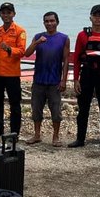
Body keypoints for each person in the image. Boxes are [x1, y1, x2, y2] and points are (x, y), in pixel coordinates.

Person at [69, 4, 100, 150]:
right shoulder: (82, 35)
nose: (97, 18)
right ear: (90, 17)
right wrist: (76, 79)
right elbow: (77, 59)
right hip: (87, 74)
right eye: (95, 15)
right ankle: (80, 139)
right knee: (83, 108)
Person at [24, 11, 70, 147]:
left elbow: (66, 61)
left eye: (52, 21)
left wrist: (64, 80)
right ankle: (37, 135)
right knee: (36, 109)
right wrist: (37, 42)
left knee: (55, 110)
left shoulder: (64, 38)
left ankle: (55, 136)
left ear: (57, 22)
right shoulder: (38, 36)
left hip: (54, 81)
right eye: (47, 21)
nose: (49, 23)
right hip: (39, 80)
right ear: (43, 23)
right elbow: (27, 53)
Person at [0, 2, 27, 137]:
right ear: (0, 14)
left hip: (12, 73)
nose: (6, 15)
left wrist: (10, 49)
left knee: (15, 104)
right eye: (3, 12)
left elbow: (22, 51)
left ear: (13, 14)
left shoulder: (20, 31)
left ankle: (14, 131)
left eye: (9, 12)